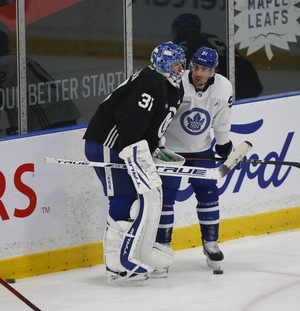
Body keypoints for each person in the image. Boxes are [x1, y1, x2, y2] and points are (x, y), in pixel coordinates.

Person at [83, 42, 186, 286]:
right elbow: (129, 120)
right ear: (162, 64)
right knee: (121, 202)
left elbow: (154, 125)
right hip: (110, 145)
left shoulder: (171, 87)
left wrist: (156, 148)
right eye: (175, 65)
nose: (181, 70)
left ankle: (123, 260)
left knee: (131, 204)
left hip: (125, 148)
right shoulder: (150, 81)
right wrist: (137, 154)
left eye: (182, 64)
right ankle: (117, 267)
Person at [155, 46, 236, 277]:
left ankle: (210, 242)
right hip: (170, 151)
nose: (199, 73)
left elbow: (222, 121)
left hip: (201, 150)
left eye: (205, 69)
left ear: (213, 71)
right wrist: (157, 144)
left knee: (208, 191)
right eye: (196, 67)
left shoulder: (223, 88)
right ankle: (161, 248)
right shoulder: (176, 81)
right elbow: (161, 116)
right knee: (165, 199)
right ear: (191, 65)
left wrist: (222, 144)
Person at [0, 29, 81, 137]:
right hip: (61, 112)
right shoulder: (14, 59)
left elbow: (12, 97)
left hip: (50, 116)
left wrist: (16, 128)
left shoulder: (1, 65)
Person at [171, 13, 263, 100]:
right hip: (247, 69)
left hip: (224, 74)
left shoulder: (184, 42)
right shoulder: (210, 37)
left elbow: (181, 70)